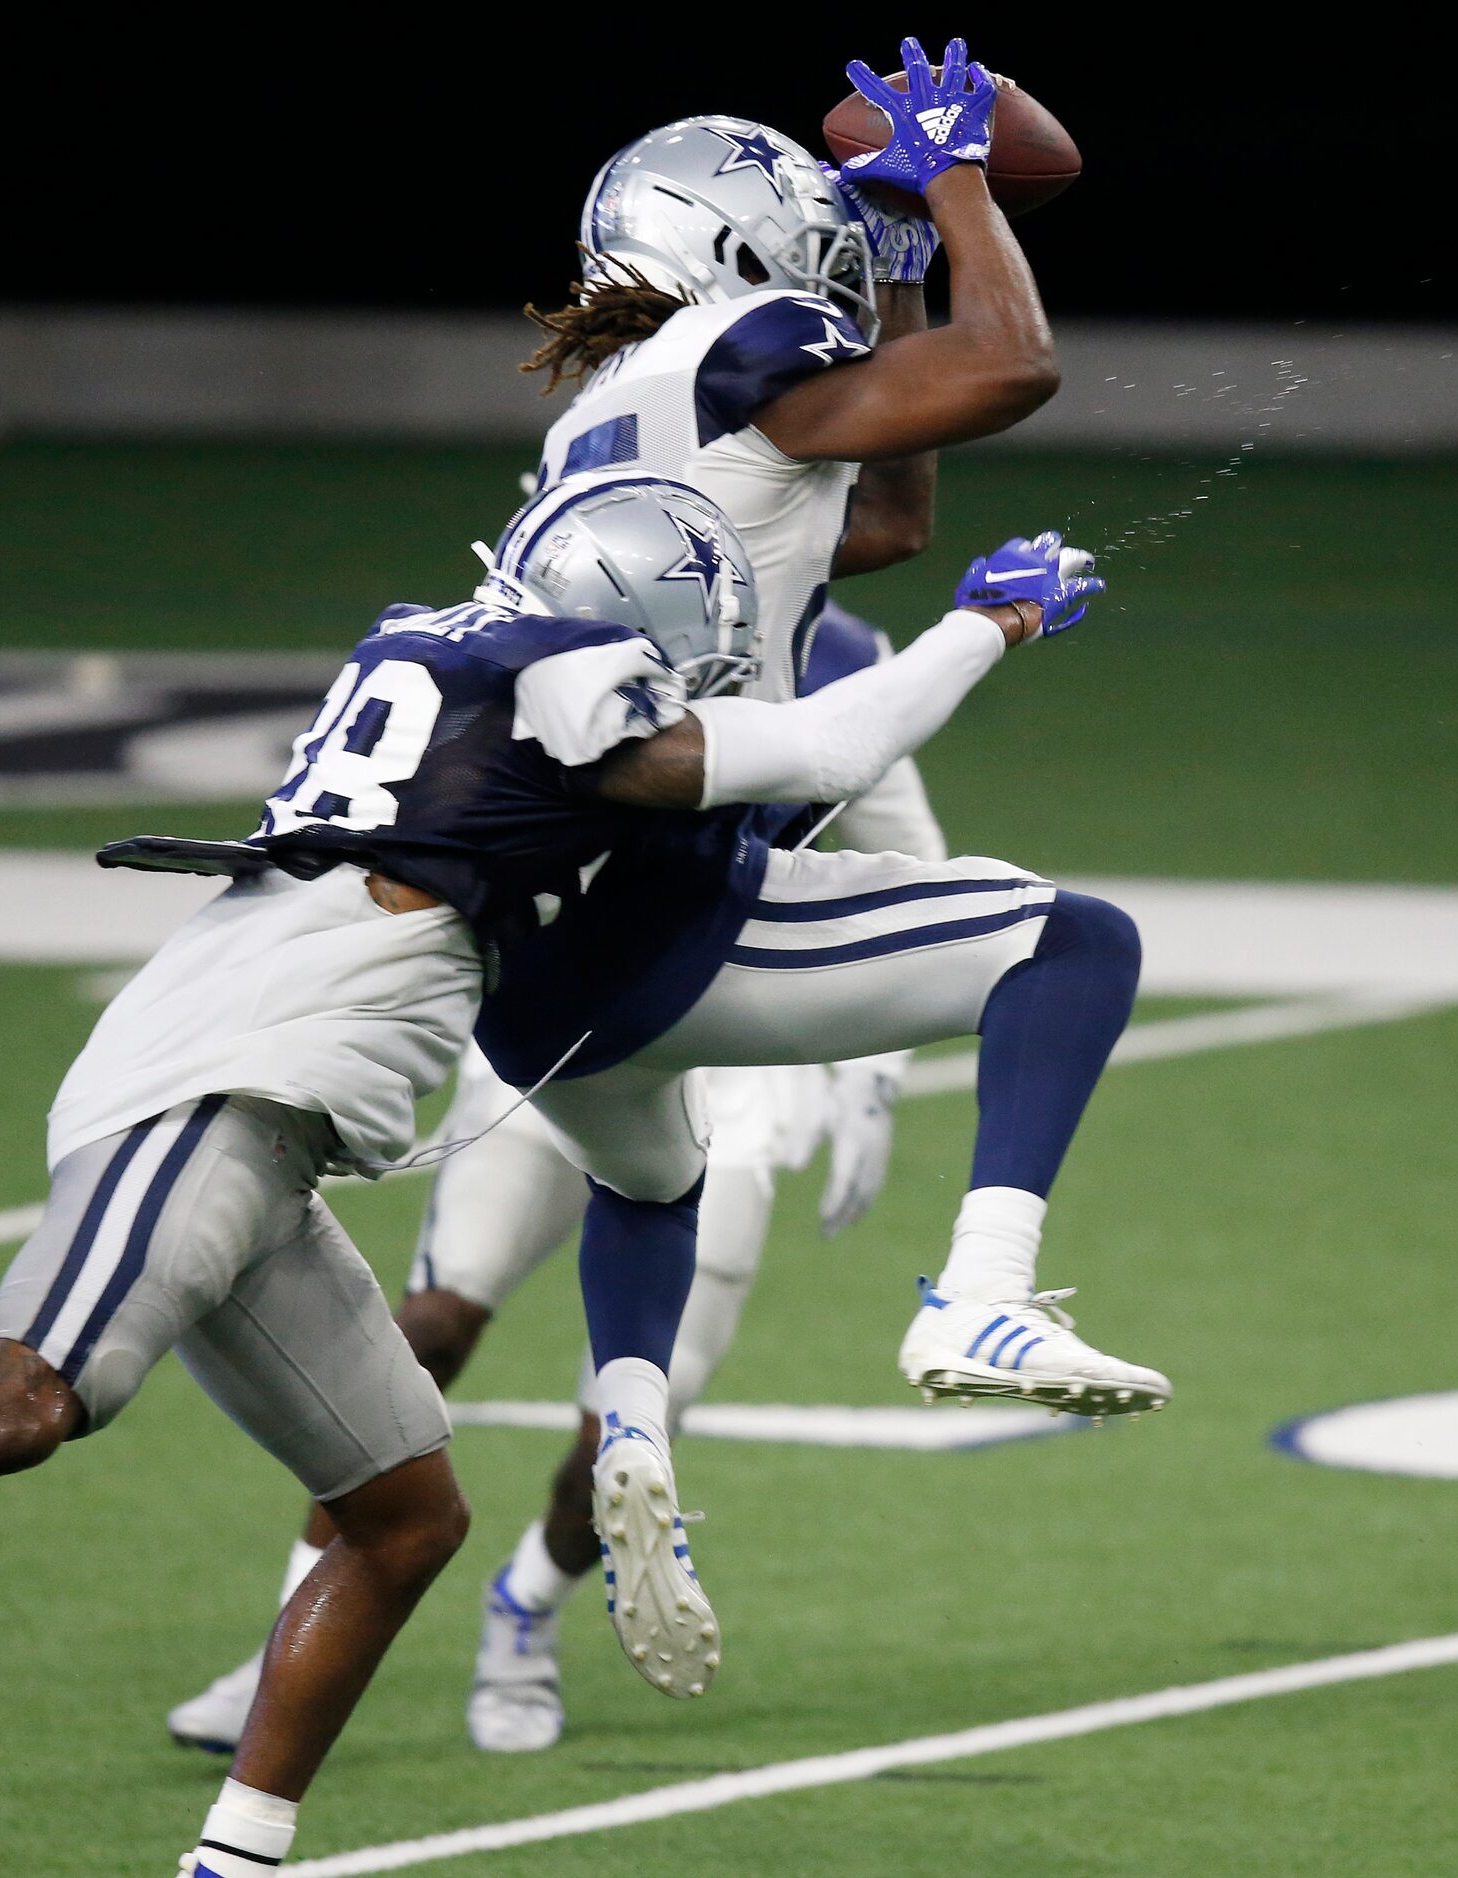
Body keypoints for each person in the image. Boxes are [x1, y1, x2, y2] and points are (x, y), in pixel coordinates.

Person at [0, 472, 1078, 1870]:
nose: (683, 694)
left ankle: (238, 1859)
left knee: (405, 1512)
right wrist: (987, 625)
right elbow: (820, 740)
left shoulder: (449, 646)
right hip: (224, 1073)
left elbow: (640, 1078)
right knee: (19, 1400)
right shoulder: (566, 677)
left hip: (286, 1113)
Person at [170, 38, 1087, 1756]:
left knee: (611, 1313)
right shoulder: (734, 378)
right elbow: (1000, 386)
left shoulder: (675, 440)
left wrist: (897, 267)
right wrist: (949, 185)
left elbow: (876, 521)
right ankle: (369, 1605)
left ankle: (526, 1599)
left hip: (592, 924)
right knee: (482, 1302)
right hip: (648, 913)